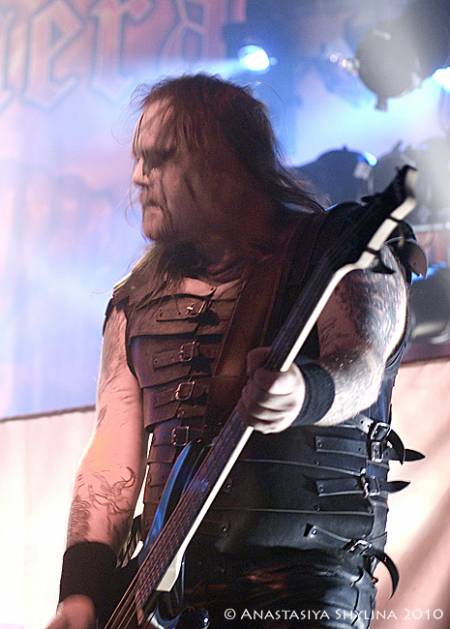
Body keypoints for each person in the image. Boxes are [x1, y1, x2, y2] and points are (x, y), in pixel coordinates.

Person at [47, 74, 415, 629]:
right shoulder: (134, 298)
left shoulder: (335, 250)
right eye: (138, 159)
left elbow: (361, 363)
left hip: (301, 589)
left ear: (223, 163)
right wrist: (80, 591)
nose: (138, 177)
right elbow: (110, 459)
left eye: (160, 158)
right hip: (165, 598)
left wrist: (304, 393)